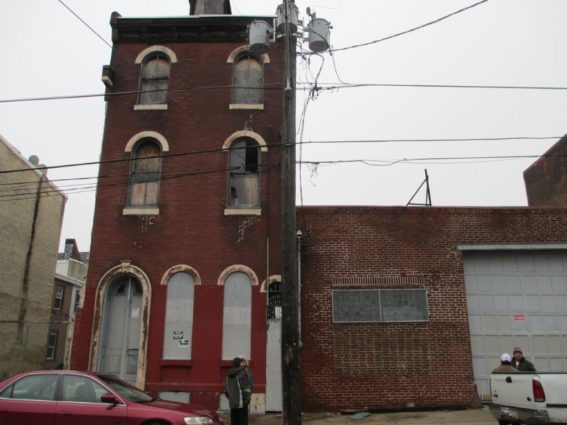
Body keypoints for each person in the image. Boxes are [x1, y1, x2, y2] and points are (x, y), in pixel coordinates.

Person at [226, 357, 252, 425]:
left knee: (234, 421)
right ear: (240, 363)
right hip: (241, 403)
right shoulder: (242, 373)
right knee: (242, 422)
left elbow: (226, 390)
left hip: (233, 403)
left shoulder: (228, 374)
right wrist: (246, 401)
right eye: (242, 362)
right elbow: (247, 389)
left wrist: (232, 398)